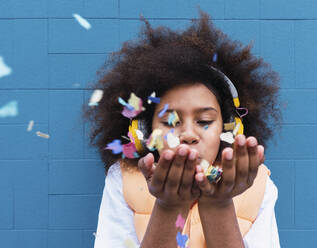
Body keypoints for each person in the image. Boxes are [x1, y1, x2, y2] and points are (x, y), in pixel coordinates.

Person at [84, 9, 283, 248]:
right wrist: (168, 207)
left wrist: (218, 204)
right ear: (145, 131)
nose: (188, 135)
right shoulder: (122, 181)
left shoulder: (259, 186)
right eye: (170, 122)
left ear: (231, 126)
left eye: (204, 121)